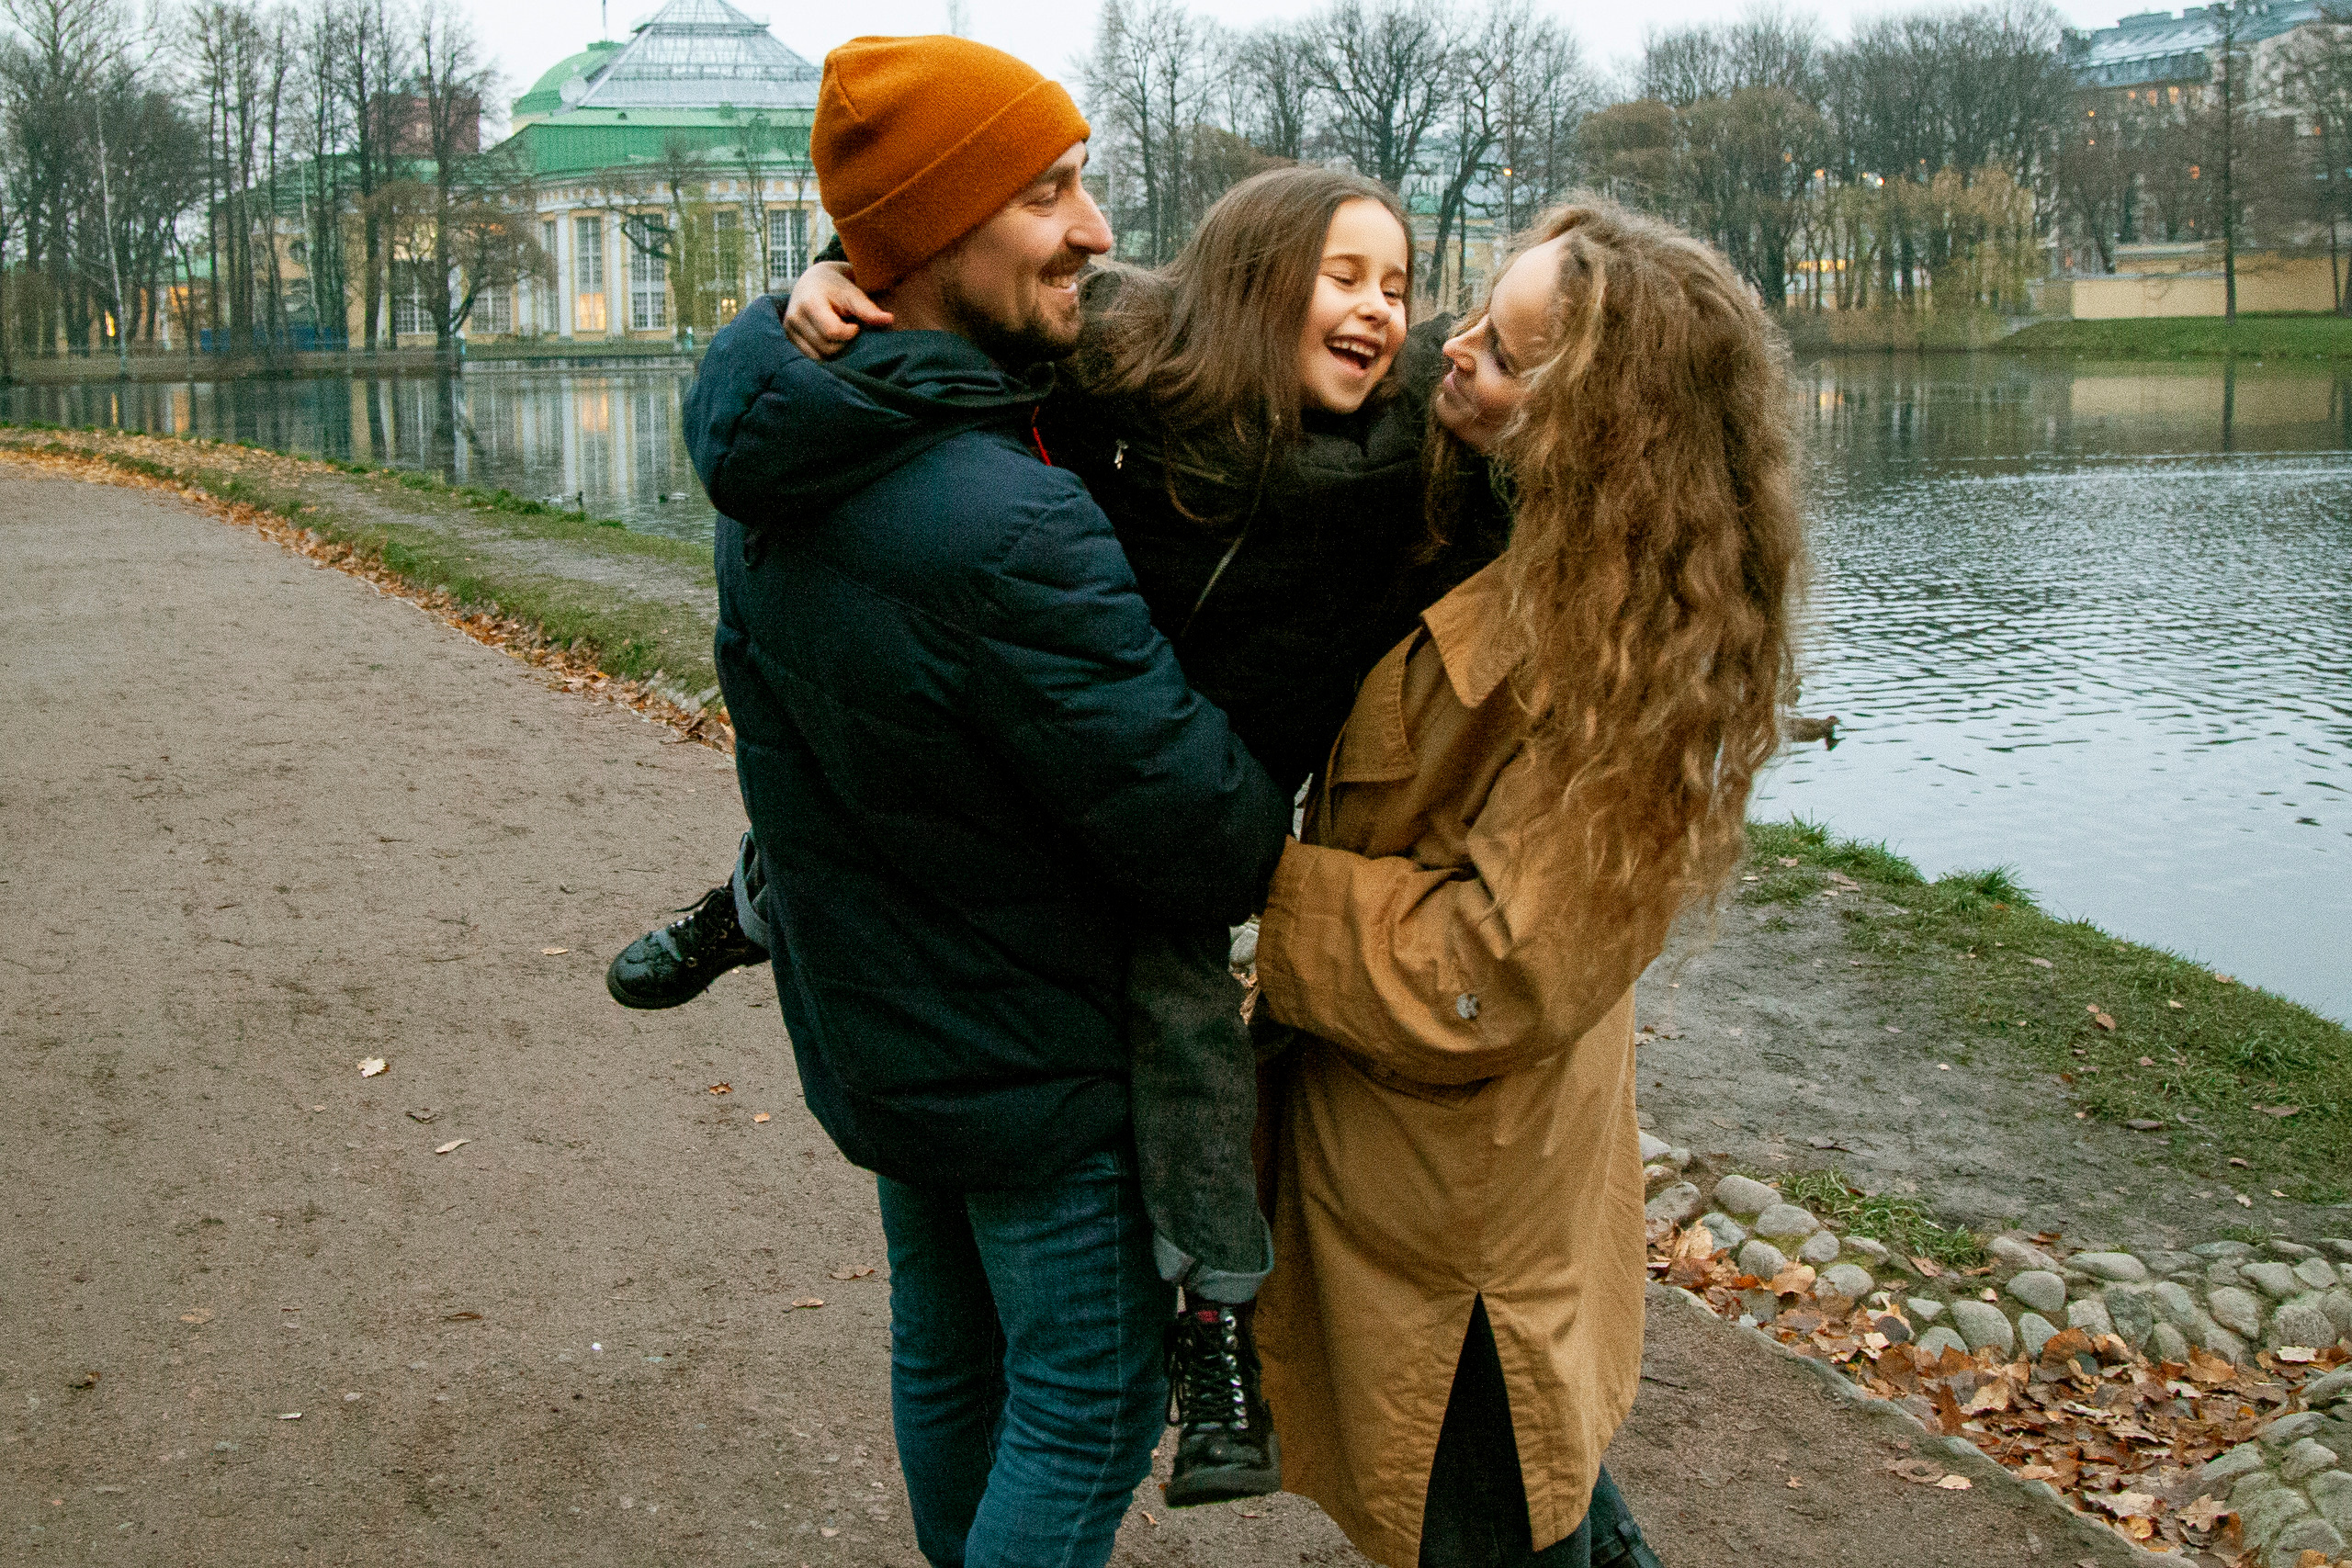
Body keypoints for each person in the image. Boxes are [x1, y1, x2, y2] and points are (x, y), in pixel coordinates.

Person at [686, 162, 1430, 1508]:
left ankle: (760, 900)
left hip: (1005, 882)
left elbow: (1547, 393)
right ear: (1254, 286)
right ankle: (1219, 1327)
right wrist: (809, 284)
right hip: (1098, 857)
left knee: (953, 1338)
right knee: (1078, 1389)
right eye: (1341, 276)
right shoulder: (1120, 375)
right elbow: (952, 304)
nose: (1377, 309)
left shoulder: (1411, 461)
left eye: (1399, 283)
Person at [1250, 198, 1804, 1568]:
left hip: (1460, 1204)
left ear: (1597, 429)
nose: (1456, 354)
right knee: (1538, 1497)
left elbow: (1498, 967)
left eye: (1501, 353)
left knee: (1497, 1494)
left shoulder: (1632, 666)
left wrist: (1257, 891)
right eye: (1477, 317)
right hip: (1417, 1160)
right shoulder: (1506, 499)